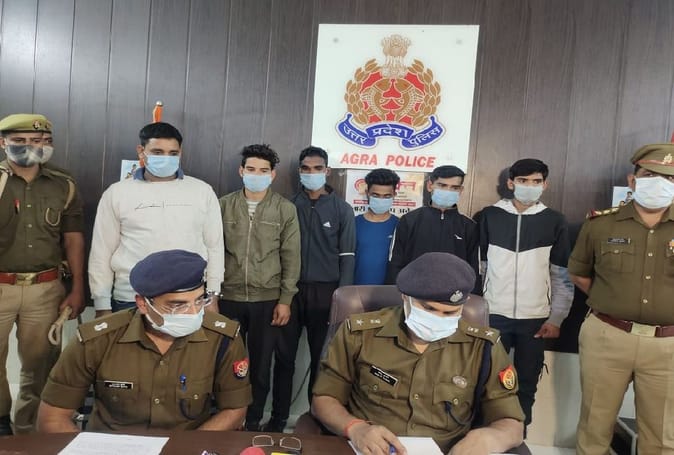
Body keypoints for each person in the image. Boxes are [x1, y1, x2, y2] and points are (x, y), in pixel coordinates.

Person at [312, 252, 525, 455]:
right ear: (406, 297)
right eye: (429, 309)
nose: (439, 318)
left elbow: (511, 424)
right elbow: (323, 399)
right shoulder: (360, 333)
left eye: (450, 313)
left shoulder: (483, 346)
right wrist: (355, 428)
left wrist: (487, 438)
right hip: (372, 449)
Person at [37, 249, 251, 432]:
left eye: (199, 300)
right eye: (178, 305)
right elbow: (52, 419)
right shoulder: (97, 341)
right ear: (143, 304)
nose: (193, 313)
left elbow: (234, 410)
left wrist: (190, 450)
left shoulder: (222, 339)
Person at [569, 143, 674, 454]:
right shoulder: (600, 224)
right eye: (650, 175)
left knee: (662, 437)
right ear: (633, 180)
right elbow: (579, 274)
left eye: (669, 178)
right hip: (608, 336)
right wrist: (612, 300)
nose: (660, 183)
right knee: (595, 427)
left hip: (667, 345)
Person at [0, 114, 85, 435]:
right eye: (19, 141)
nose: (29, 147)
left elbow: (73, 238)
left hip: (45, 289)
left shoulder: (64, 184)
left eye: (37, 141)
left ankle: (30, 432)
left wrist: (77, 287)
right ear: (3, 143)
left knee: (40, 367)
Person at [88, 122, 224, 316]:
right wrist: (101, 304)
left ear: (180, 153)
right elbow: (101, 252)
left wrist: (212, 295)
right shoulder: (117, 193)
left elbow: (214, 247)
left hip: (188, 299)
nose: (166, 158)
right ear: (141, 151)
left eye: (173, 153)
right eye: (158, 152)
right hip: (132, 298)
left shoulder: (202, 191)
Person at [479, 158, 574, 432]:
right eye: (523, 181)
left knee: (527, 381)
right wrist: (478, 311)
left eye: (536, 181)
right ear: (511, 183)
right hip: (493, 314)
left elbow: (562, 275)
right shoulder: (489, 216)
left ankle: (518, 434)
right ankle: (482, 435)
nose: (529, 186)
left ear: (545, 185)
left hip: (535, 318)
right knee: (486, 377)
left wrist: (556, 318)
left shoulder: (555, 220)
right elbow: (479, 268)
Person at [218, 144, 300, 432]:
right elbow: (212, 250)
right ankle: (226, 420)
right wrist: (212, 295)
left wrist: (285, 300)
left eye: (263, 171)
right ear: (241, 171)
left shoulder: (285, 209)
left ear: (272, 175)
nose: (256, 175)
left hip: (267, 300)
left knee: (261, 366)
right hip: (228, 298)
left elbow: (291, 257)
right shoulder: (223, 205)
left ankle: (252, 421)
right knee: (224, 362)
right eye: (251, 169)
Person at [290, 146, 355, 403]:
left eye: (317, 168)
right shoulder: (289, 205)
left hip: (326, 292)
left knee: (321, 358)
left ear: (327, 171)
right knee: (284, 355)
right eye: (306, 169)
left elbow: (347, 256)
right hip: (291, 291)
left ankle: (316, 414)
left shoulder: (342, 209)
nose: (312, 173)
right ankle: (279, 416)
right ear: (299, 171)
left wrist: (342, 298)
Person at [386, 165, 479, 291]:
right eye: (442, 185)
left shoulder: (469, 226)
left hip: (453, 296)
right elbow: (395, 263)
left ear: (461, 190)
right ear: (430, 186)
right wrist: (395, 294)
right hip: (414, 293)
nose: (448, 191)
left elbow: (474, 269)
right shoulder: (409, 220)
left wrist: (472, 297)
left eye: (454, 188)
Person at [354, 168, 400, 285]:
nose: (381, 200)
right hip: (356, 290)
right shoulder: (353, 223)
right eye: (376, 195)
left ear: (394, 195)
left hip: (388, 291)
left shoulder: (400, 226)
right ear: (367, 193)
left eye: (387, 196)